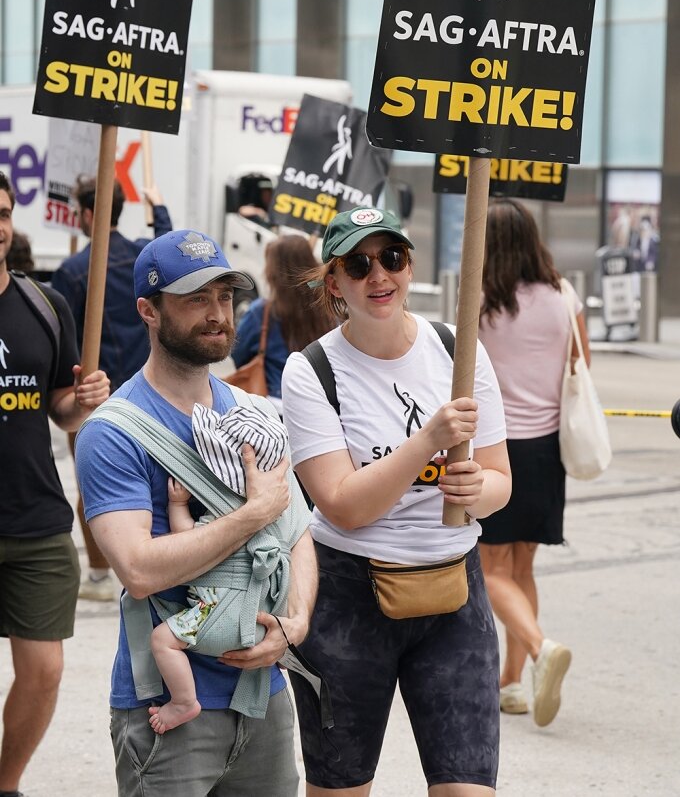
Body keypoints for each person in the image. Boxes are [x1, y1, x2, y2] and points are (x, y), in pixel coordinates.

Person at [74, 228, 317, 797]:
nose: (217, 314)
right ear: (148, 311)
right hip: (165, 709)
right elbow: (138, 569)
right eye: (195, 299)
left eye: (225, 297)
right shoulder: (112, 432)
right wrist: (252, 513)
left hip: (264, 697)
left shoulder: (255, 412)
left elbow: (297, 531)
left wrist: (296, 622)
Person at [281, 206, 511, 796]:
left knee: (468, 790)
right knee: (340, 789)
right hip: (347, 597)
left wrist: (476, 491)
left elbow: (499, 481)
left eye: (392, 258)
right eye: (358, 264)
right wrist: (427, 442)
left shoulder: (458, 349)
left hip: (453, 592)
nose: (378, 275)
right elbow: (342, 504)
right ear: (334, 283)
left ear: (409, 267)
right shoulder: (311, 371)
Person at [0, 171, 110, 797]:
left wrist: (82, 399)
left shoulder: (45, 306)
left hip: (36, 522)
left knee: (43, 671)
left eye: (4, 211)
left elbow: (60, 409)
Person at [477, 198, 590, 727]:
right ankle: (512, 684)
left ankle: (541, 650)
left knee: (489, 567)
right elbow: (581, 363)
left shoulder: (478, 301)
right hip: (548, 450)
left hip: (499, 447)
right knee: (522, 567)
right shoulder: (564, 295)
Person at [51, 175, 172, 601]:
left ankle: (103, 573)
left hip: (97, 396)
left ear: (87, 214)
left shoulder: (72, 270)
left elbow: (64, 341)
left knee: (96, 487)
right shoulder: (143, 254)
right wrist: (158, 208)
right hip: (149, 388)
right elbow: (173, 251)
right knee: (153, 484)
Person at [147, 401, 295, 735]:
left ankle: (184, 701)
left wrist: (177, 503)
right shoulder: (279, 516)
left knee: (162, 640)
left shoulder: (222, 518)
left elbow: (186, 539)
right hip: (264, 620)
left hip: (217, 618)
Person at [230, 234, 336, 410]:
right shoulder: (329, 308)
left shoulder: (261, 312)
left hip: (274, 406)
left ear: (273, 272)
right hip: (320, 403)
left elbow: (237, 352)